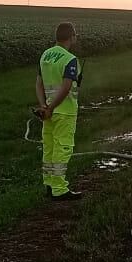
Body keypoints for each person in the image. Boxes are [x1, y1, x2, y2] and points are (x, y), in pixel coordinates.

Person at [35, 22, 83, 200]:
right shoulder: (69, 59)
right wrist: (53, 107)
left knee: (49, 147)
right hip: (64, 111)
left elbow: (39, 83)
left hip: (47, 111)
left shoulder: (45, 55)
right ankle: (59, 189)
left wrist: (44, 106)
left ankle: (49, 183)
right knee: (62, 148)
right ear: (72, 37)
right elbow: (65, 88)